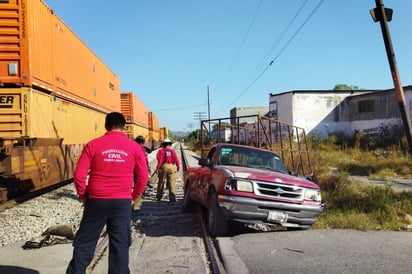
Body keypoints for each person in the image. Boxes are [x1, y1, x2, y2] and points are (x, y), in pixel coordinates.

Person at [66, 112, 148, 274]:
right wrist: (133, 198)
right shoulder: (135, 147)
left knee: (86, 242)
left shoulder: (93, 145)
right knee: (120, 243)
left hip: (96, 200)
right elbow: (143, 177)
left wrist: (83, 195)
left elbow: (79, 176)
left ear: (106, 126)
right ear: (124, 127)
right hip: (122, 202)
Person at [132, 135, 152, 211]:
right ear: (142, 142)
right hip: (140, 168)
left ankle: (134, 203)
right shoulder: (142, 149)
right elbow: (145, 160)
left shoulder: (132, 147)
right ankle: (136, 204)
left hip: (133, 169)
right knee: (140, 185)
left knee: (135, 184)